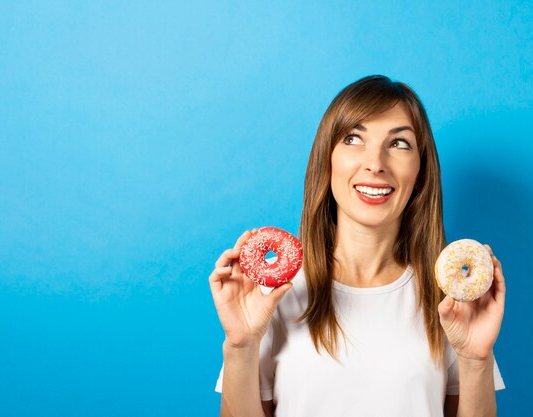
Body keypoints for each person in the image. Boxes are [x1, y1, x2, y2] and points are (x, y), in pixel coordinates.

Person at [209, 75, 506, 417]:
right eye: (353, 138)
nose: (375, 163)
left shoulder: (450, 302)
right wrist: (241, 346)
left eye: (399, 143)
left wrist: (476, 359)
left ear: (421, 170)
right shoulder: (272, 296)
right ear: (328, 160)